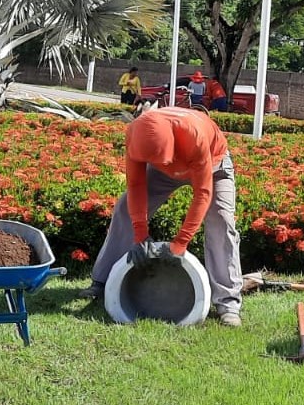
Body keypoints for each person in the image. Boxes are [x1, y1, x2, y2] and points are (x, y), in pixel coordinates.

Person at [78, 106, 243, 327]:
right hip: (163, 169)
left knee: (221, 222)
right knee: (124, 209)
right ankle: (102, 281)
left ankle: (228, 303)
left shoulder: (193, 134)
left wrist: (181, 241)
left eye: (164, 159)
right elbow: (136, 184)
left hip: (213, 164)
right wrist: (140, 234)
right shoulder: (136, 135)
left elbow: (203, 193)